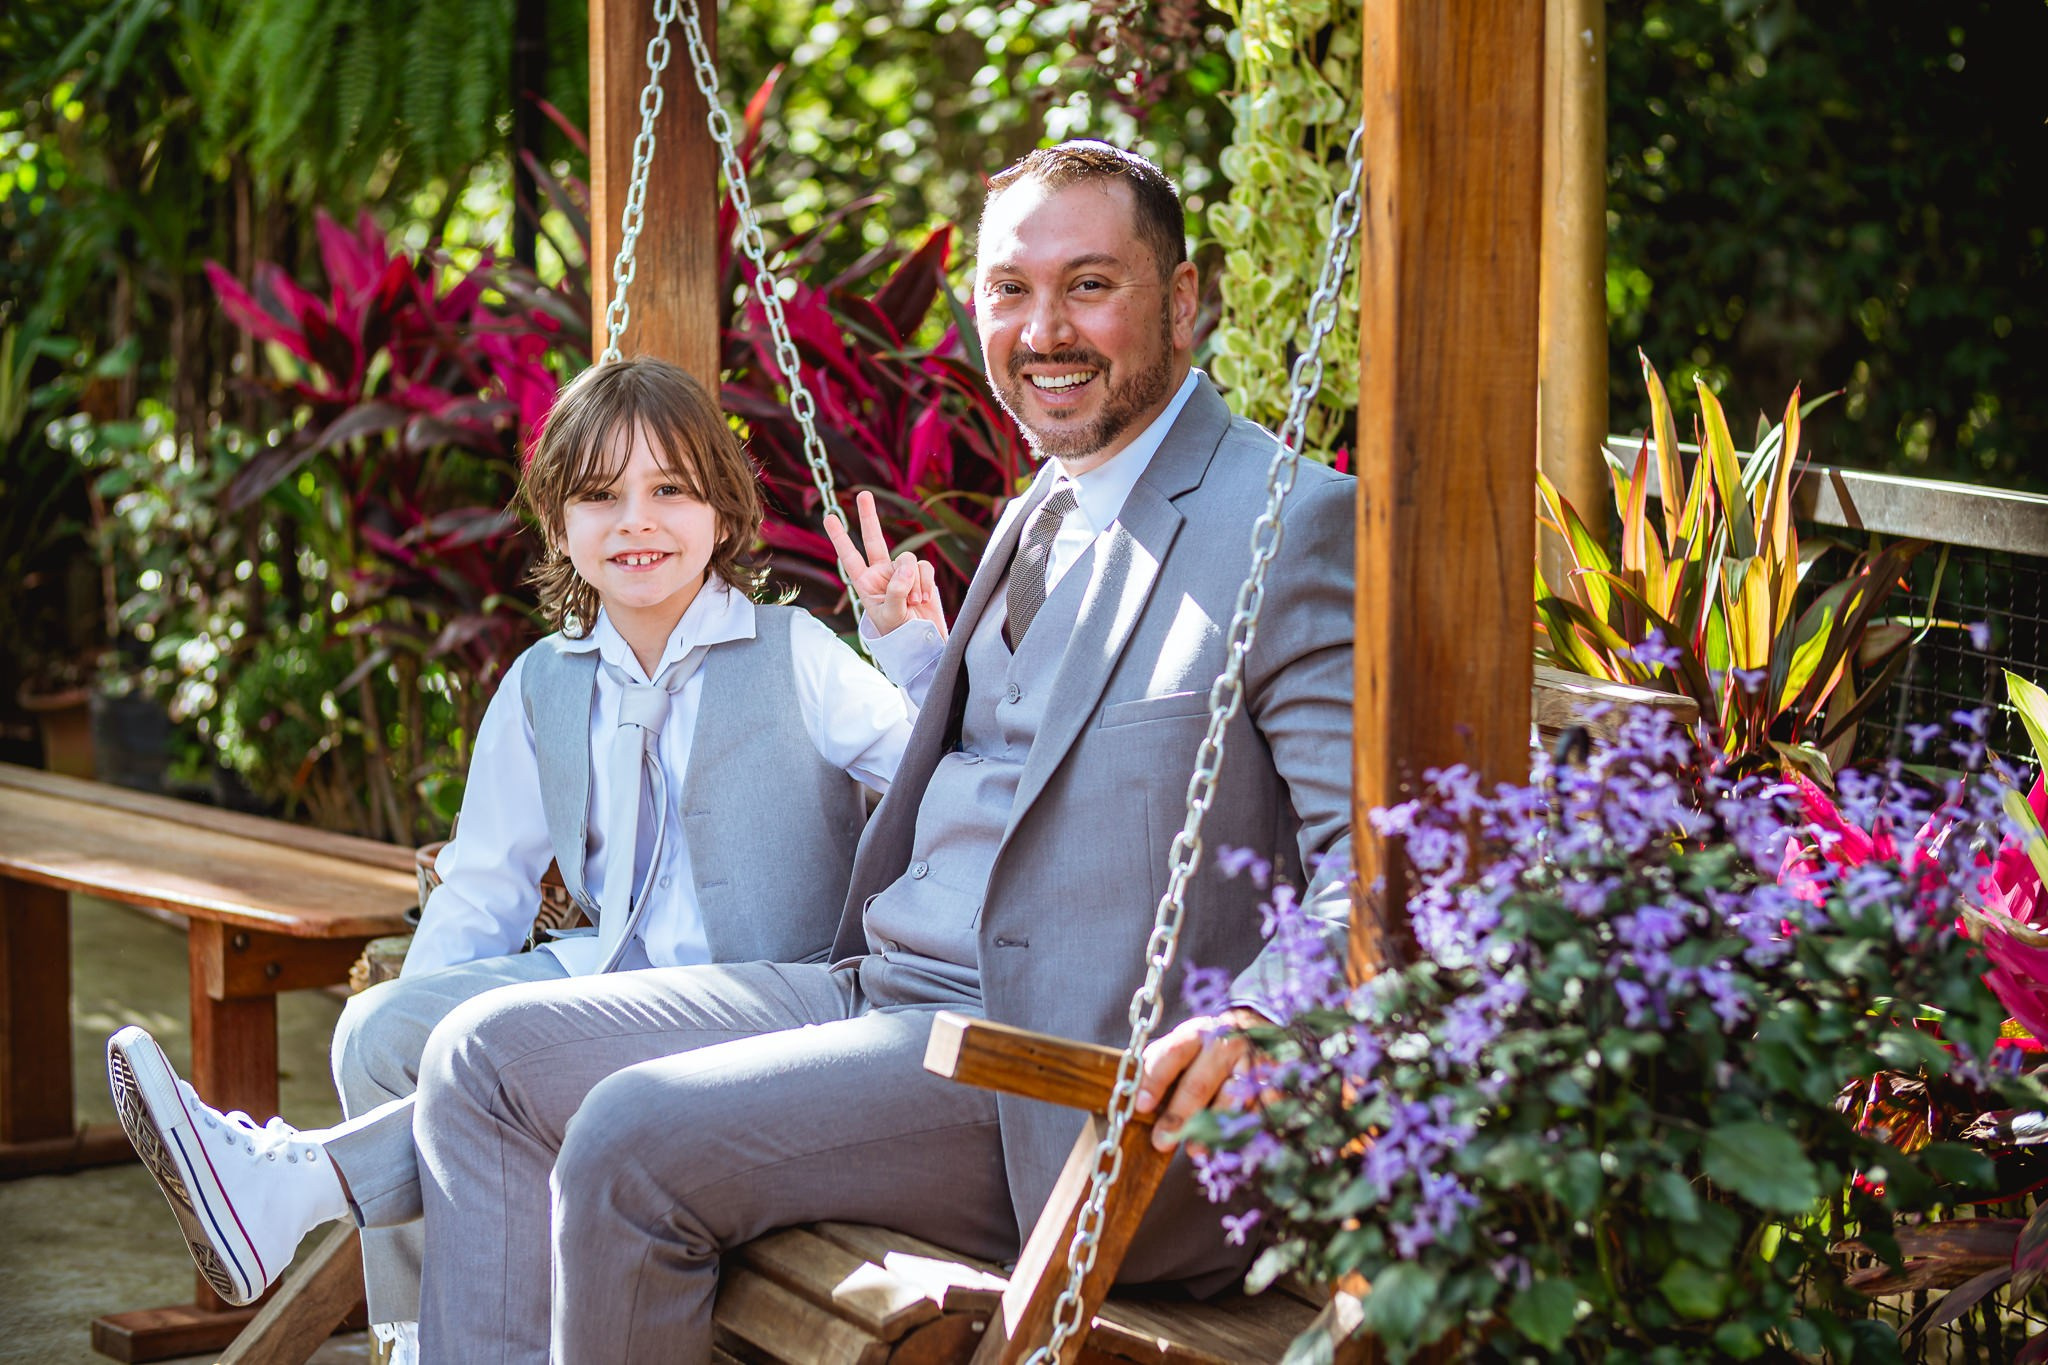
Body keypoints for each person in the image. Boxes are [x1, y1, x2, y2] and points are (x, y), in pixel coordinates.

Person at [104, 357, 937, 1363]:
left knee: (495, 1050)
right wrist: (425, 1019)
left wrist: (911, 654)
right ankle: (415, 1335)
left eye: (669, 489)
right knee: (378, 1032)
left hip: (753, 997)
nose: (636, 521)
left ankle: (294, 1185)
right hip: (591, 972)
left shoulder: (792, 654)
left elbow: (939, 773)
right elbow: (484, 886)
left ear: (722, 509)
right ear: (560, 524)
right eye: (599, 497)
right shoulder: (544, 681)